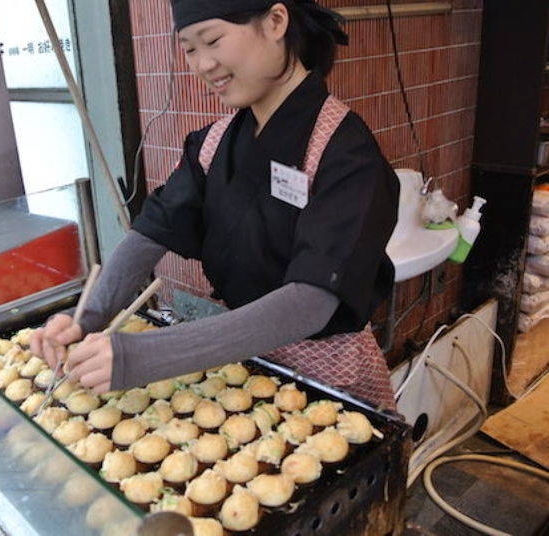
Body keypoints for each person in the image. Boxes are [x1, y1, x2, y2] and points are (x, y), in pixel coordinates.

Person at [30, 0, 400, 410]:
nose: (203, 64)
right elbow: (149, 233)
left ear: (276, 21)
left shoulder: (346, 155)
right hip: (243, 361)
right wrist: (87, 319)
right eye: (189, 48)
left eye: (213, 40)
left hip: (328, 378)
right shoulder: (211, 145)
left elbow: (311, 303)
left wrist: (146, 355)